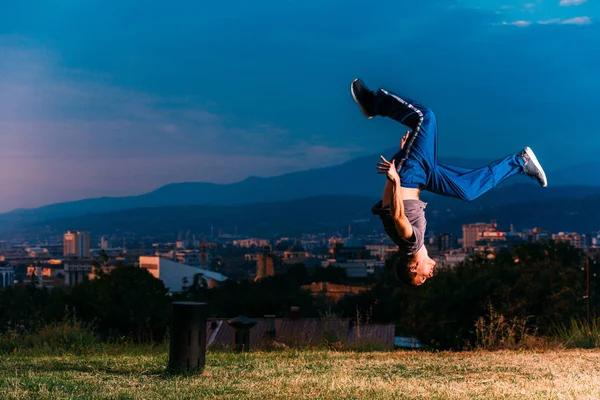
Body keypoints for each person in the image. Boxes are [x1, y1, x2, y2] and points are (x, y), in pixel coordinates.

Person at [350, 78, 547, 286]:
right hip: (419, 176)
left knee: (425, 117)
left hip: (411, 173)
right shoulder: (404, 243)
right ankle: (520, 161)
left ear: (413, 267)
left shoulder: (411, 242)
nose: (430, 274)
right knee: (468, 190)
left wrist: (397, 175)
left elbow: (398, 215)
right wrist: (400, 159)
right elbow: (386, 208)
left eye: (423, 276)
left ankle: (373, 102)